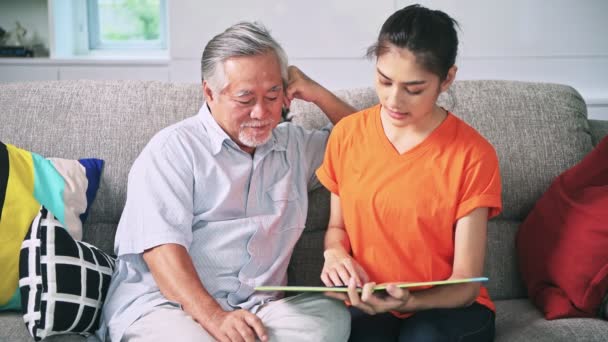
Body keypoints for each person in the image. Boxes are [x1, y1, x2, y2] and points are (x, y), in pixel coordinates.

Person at [97, 21, 356, 342]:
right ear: (209, 92)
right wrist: (216, 319)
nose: (261, 112)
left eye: (273, 95)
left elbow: (366, 146)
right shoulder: (173, 149)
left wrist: (318, 94)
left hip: (258, 309)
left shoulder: (295, 146)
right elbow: (162, 250)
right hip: (168, 306)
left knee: (328, 318)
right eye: (245, 99)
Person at [316, 4, 502, 342]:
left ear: (447, 78)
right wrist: (335, 253)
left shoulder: (474, 155)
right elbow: (336, 227)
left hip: (448, 309)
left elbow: (466, 284)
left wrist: (411, 300)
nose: (393, 100)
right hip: (369, 301)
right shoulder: (347, 134)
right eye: (384, 81)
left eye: (413, 89)